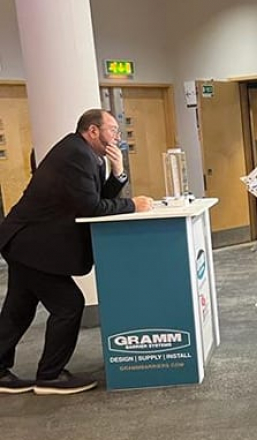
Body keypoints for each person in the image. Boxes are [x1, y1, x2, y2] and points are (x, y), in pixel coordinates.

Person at [0, 109, 154, 396]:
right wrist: (133, 204)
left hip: (24, 242)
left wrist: (117, 172)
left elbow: (95, 199)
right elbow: (92, 208)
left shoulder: (85, 154)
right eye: (112, 130)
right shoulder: (76, 155)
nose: (117, 137)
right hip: (30, 243)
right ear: (93, 131)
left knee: (18, 310)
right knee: (68, 304)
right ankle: (50, 376)